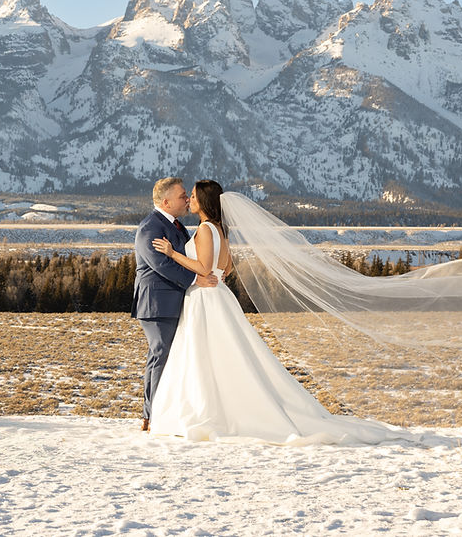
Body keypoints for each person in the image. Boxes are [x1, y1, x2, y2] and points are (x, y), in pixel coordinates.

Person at [148, 180, 412, 445]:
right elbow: (226, 269)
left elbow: (204, 267)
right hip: (218, 296)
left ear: (204, 201)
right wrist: (212, 273)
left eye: (192, 196)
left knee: (204, 354)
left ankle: (205, 409)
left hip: (205, 297)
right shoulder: (220, 230)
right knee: (223, 353)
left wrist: (173, 254)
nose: (189, 200)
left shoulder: (205, 230)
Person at [132, 177, 217, 433]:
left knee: (169, 356)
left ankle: (164, 412)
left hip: (174, 300)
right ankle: (152, 414)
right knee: (161, 355)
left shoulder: (177, 226)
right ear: (166, 201)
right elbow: (162, 264)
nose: (187, 200)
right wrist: (196, 279)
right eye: (182, 196)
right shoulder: (150, 227)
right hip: (157, 303)